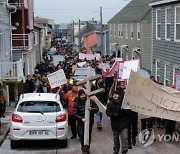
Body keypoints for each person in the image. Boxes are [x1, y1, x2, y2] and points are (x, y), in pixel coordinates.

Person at [73, 89, 99, 153]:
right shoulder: (76, 103)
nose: (83, 96)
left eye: (83, 94)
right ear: (79, 96)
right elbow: (75, 114)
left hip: (90, 121)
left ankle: (87, 148)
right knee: (81, 135)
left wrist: (91, 109)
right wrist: (81, 119)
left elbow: (97, 109)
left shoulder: (91, 101)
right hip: (81, 121)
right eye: (81, 95)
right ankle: (83, 147)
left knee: (88, 135)